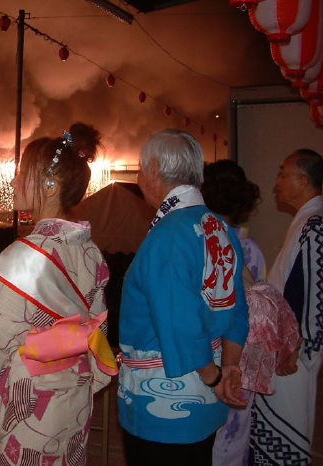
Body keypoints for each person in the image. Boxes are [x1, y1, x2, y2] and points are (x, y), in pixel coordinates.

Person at [0, 123, 118, 465]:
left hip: (28, 405)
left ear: (49, 185)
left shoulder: (21, 260)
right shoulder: (89, 251)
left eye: (21, 174)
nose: (13, 182)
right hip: (74, 397)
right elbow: (96, 328)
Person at [117, 129, 250, 466]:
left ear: (155, 169)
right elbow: (237, 307)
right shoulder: (216, 225)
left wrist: (216, 377)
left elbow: (179, 324)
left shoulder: (170, 233)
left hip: (166, 406)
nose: (138, 177)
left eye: (141, 168)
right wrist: (229, 365)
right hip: (205, 398)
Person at [202, 160, 299, 466]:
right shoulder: (250, 246)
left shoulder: (208, 243)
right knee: (236, 431)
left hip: (215, 352)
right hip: (246, 352)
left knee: (215, 432)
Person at [249, 149, 323, 465]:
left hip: (292, 353)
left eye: (283, 174)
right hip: (286, 346)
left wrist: (294, 347)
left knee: (285, 432)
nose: (278, 182)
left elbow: (310, 293)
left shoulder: (315, 226)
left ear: (302, 180)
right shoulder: (306, 223)